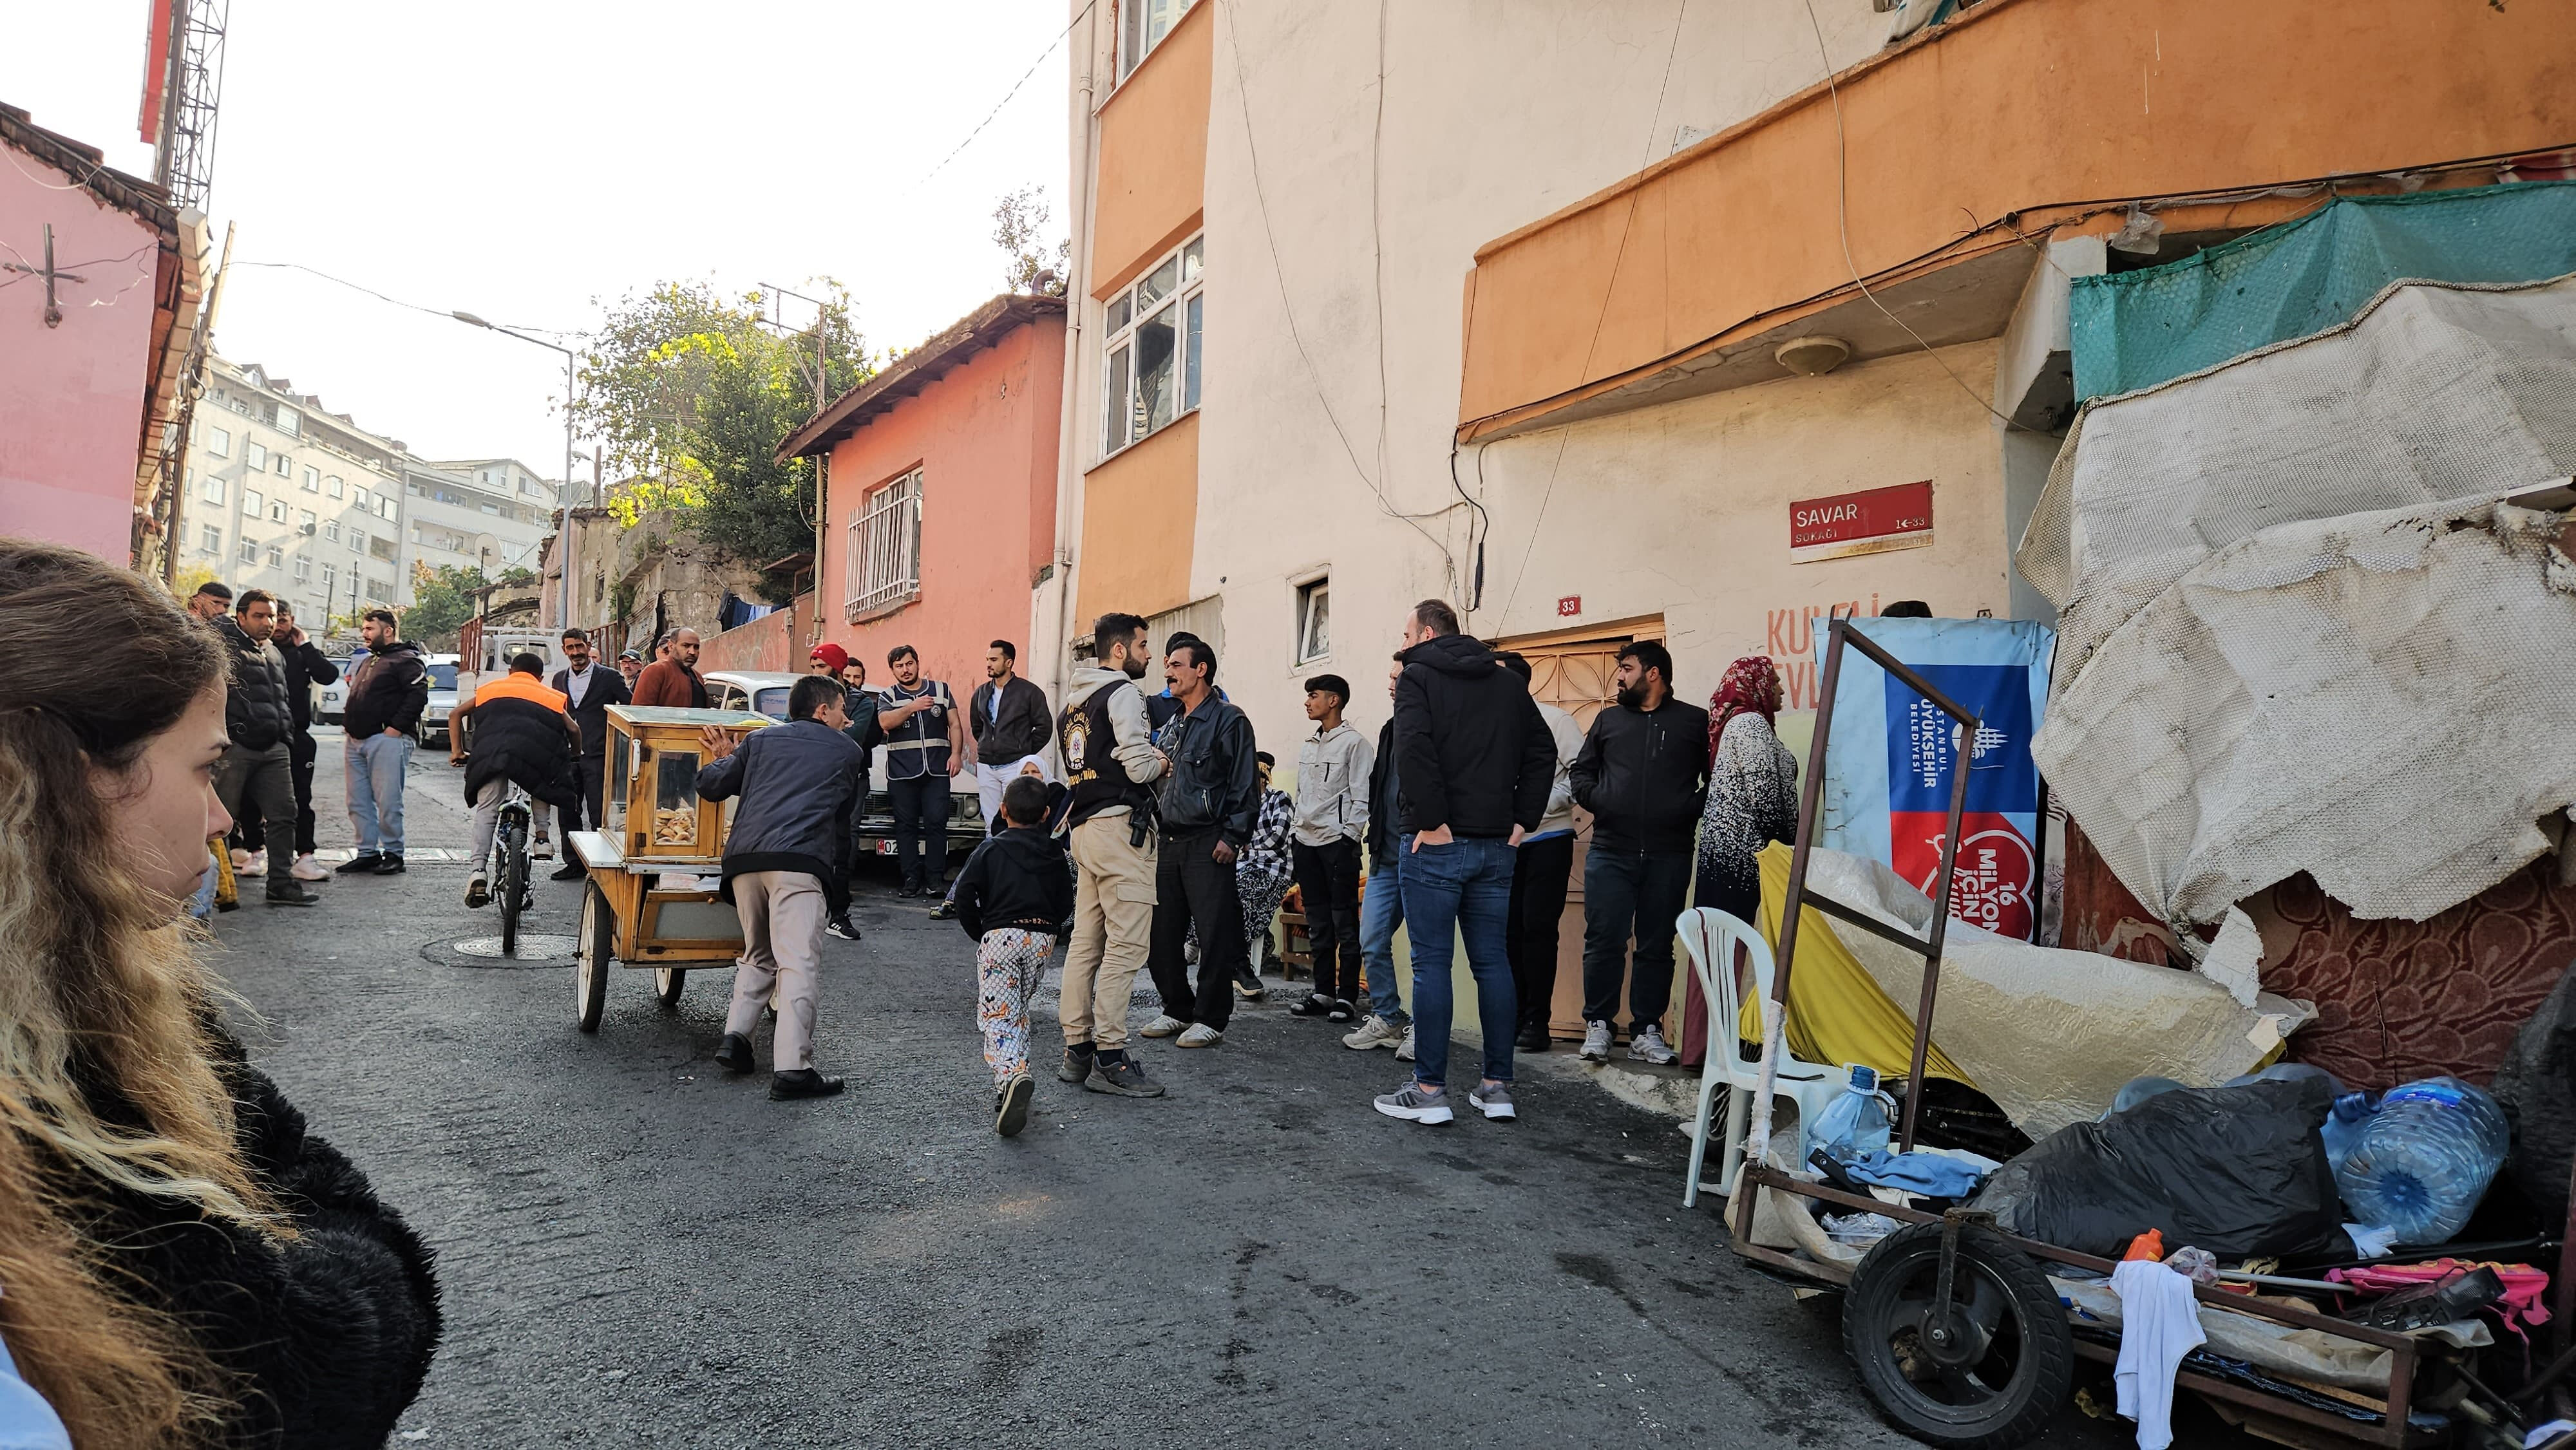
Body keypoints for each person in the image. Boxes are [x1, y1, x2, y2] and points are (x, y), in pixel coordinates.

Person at [0, 538, 439, 1446]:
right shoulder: (61, 1061)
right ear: (78, 780)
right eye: (203, 768)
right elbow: (317, 1358)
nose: (219, 815)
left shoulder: (97, 990)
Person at [1374, 599, 1555, 1127]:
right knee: (1492, 962)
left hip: (1437, 842)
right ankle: (1497, 1087)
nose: (1402, 642)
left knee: (1432, 965)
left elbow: (1414, 748)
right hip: (1496, 844)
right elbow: (1542, 753)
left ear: (1427, 633)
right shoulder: (1507, 683)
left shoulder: (1417, 677)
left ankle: (1429, 1090)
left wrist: (1431, 821)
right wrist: (1523, 820)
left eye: (1406, 633)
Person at [699, 675, 868, 1101]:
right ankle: (793, 1068)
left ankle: (736, 1039)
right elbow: (843, 809)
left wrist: (728, 756)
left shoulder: (759, 742)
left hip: (744, 863)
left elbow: (710, 784)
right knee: (798, 963)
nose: (847, 718)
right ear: (821, 711)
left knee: (758, 955)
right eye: (841, 708)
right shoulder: (848, 750)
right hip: (798, 862)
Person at [1569, 639, 1709, 1067]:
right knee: (1604, 941)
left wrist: (1687, 809)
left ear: (1653, 673)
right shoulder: (1609, 721)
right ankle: (1599, 1025)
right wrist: (1602, 800)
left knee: (1656, 945)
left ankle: (1647, 1030)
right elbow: (1581, 772)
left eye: (1627, 668)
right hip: (1611, 850)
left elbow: (1715, 779)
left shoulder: (1693, 722)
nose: (1620, 677)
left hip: (1670, 853)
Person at [1054, 613, 1171, 1097]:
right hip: (1121, 829)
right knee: (1126, 946)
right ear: (1119, 651)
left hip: (1084, 828)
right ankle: (1111, 1054)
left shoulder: (1071, 706)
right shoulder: (1123, 693)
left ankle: (1077, 1048)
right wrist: (1162, 760)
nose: (1149, 654)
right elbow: (1139, 763)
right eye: (1143, 645)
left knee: (1086, 942)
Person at [1141, 637, 1259, 1050]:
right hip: (1168, 840)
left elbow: (1245, 783)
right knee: (1160, 934)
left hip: (1210, 841)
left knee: (1214, 934)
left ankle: (1211, 1017)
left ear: (1201, 670)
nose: (1168, 672)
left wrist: (1233, 835)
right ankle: (1177, 1008)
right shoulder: (1173, 723)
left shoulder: (1229, 719)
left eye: (1176, 665)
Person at [951, 773, 1077, 1138]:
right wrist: (1051, 928)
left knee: (997, 1016)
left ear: (1003, 810)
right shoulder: (1059, 854)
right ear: (1047, 814)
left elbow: (963, 895)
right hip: (1042, 940)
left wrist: (983, 931)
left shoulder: (991, 849)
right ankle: (1012, 1080)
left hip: (1001, 936)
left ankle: (1011, 1075)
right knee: (1017, 1008)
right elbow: (1068, 902)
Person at [1497, 652, 1584, 1053]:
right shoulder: (1487, 725)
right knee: (1507, 931)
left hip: (1548, 839)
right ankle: (1512, 1017)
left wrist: (1534, 810)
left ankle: (1537, 1021)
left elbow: (1579, 780)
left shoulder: (1557, 721)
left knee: (1537, 930)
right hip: (1500, 845)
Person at [211, 590, 320, 907]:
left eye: (271, 616)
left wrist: (285, 737)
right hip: (236, 748)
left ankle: (281, 883)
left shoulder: (274, 652)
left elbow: (281, 699)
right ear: (241, 617)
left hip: (274, 748)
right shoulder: (225, 647)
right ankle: (214, 888)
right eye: (259, 616)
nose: (268, 622)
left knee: (285, 815)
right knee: (221, 820)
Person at [450, 654, 582, 909]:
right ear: (540, 677)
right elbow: (574, 730)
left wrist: (457, 751)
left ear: (511, 672)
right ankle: (542, 839)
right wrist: (575, 754)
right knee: (544, 780)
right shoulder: (550, 695)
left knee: (487, 810)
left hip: (493, 755)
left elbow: (456, 715)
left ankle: (478, 871)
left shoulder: (489, 689)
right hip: (535, 755)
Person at [1289, 673, 1372, 1022]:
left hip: (1337, 844)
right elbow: (1302, 793)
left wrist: (1349, 838)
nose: (1308, 702)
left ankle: (1347, 997)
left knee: (1344, 923)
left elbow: (1361, 796)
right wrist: (1295, 830)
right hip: (1306, 842)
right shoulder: (1309, 743)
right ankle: (1323, 992)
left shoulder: (1355, 744)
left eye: (1315, 695)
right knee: (1318, 921)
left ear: (1334, 700)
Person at [1340, 659, 1412, 1055]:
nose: (1389, 683)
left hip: (1419, 852)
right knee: (1371, 938)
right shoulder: (1390, 729)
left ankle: (1424, 1026)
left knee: (1425, 948)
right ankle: (1388, 1017)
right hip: (1386, 853)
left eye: (1396, 677)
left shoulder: (1432, 725)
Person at [339, 607, 428, 876]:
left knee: (388, 801)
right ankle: (367, 853)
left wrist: (395, 729)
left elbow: (417, 697)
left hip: (386, 740)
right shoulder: (370, 659)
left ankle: (393, 854)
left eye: (370, 629)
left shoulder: (406, 660)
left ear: (388, 631)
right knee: (358, 801)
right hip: (356, 740)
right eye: (364, 629)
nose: (364, 634)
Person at [876, 644, 968, 898]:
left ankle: (935, 880)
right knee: (905, 827)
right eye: (899, 666)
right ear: (892, 670)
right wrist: (911, 707)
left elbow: (955, 725)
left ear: (917, 663)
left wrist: (957, 754)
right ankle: (910, 880)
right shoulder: (888, 696)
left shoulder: (941, 690)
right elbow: (885, 722)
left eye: (908, 664)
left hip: (937, 771)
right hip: (902, 773)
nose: (905, 670)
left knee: (936, 825)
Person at [810, 644, 885, 941]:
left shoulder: (861, 703)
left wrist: (823, 731)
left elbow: (851, 740)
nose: (815, 673)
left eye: (821, 667)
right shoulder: (808, 698)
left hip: (848, 780)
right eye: (813, 667)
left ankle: (838, 914)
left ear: (837, 671)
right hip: (813, 780)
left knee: (844, 843)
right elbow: (792, 728)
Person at [265, 603, 339, 882]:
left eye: (282, 620)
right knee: (252, 799)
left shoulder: (301, 653)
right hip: (261, 735)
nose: (277, 626)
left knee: (300, 799)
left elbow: (329, 675)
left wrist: (306, 646)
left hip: (297, 735)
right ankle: (253, 850)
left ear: (291, 622)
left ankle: (305, 855)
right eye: (273, 620)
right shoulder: (256, 651)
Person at [548, 627, 627, 879]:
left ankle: (599, 863)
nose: (576, 652)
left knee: (598, 812)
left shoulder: (610, 677)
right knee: (567, 810)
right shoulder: (559, 679)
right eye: (570, 648)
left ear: (588, 645)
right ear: (564, 651)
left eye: (579, 646)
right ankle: (574, 863)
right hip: (568, 757)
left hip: (598, 754)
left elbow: (629, 707)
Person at [969, 639, 1054, 835]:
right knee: (991, 823)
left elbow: (1044, 727)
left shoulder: (1030, 692)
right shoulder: (981, 693)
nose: (988, 664)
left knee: (1018, 818)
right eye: (987, 659)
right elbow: (977, 727)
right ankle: (993, 861)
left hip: (1014, 765)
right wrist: (986, 745)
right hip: (986, 765)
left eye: (994, 659)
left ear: (1008, 663)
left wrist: (1022, 751)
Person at [1230, 751, 1294, 1002]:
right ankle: (1247, 949)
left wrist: (1248, 844)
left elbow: (1277, 838)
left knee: (1240, 892)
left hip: (1273, 870)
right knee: (1219, 892)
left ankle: (1242, 961)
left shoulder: (1281, 799)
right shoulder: (1241, 803)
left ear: (1264, 779)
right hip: (1246, 867)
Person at [630, 627, 708, 708]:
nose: (692, 652)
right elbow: (640, 712)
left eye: (696, 647)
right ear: (671, 646)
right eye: (686, 646)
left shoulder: (697, 677)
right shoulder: (655, 671)